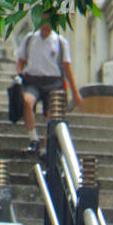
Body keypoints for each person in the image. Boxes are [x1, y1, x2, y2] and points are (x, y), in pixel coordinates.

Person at [16, 16, 83, 156]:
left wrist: (75, 93)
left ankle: (48, 149)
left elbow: (67, 68)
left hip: (53, 82)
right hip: (33, 79)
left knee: (51, 114)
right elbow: (20, 60)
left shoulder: (60, 42)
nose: (46, 25)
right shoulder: (29, 39)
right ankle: (33, 139)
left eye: (49, 22)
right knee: (27, 102)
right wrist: (19, 73)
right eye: (43, 21)